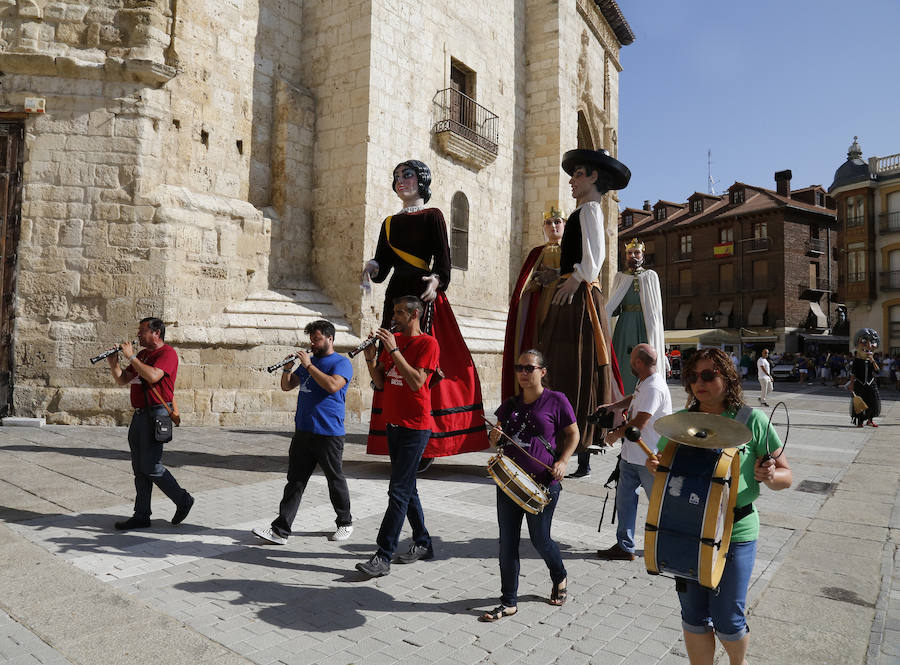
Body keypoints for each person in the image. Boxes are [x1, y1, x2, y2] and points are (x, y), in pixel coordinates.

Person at [647, 348, 792, 665]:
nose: (700, 382)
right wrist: (655, 464)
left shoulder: (750, 420)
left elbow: (786, 475)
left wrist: (770, 475)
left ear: (728, 378)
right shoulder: (679, 424)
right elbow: (661, 464)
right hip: (686, 530)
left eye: (709, 375)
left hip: (736, 532)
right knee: (694, 615)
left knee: (728, 617)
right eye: (693, 376)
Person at [361, 160, 488, 469]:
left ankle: (427, 441)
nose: (401, 180)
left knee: (423, 362)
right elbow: (383, 264)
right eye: (397, 176)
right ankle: (394, 429)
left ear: (422, 180)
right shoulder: (389, 222)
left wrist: (437, 279)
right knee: (391, 358)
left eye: (408, 175)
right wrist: (373, 267)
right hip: (396, 295)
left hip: (423, 295)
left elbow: (443, 260)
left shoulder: (433, 216)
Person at [542, 148, 629, 479]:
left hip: (581, 298)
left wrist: (576, 279)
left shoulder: (590, 209)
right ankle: (569, 443)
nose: (572, 180)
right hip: (572, 292)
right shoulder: (581, 211)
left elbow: (597, 257)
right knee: (566, 365)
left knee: (580, 367)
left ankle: (583, 448)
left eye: (578, 174)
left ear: (593, 177)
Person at [480, 349, 579, 621]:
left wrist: (563, 461)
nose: (523, 373)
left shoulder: (556, 401)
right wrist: (495, 435)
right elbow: (494, 441)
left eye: (529, 368)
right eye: (519, 368)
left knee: (540, 540)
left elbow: (573, 433)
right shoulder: (510, 404)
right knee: (507, 544)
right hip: (509, 485)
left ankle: (559, 576)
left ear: (542, 372)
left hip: (543, 485)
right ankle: (508, 601)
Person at [356, 296, 440, 578]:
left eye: (399, 312)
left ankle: (383, 554)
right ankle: (423, 542)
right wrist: (371, 356)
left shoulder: (428, 344)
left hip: (416, 427)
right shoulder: (393, 343)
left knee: (398, 491)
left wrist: (393, 350)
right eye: (394, 312)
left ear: (414, 314)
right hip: (394, 424)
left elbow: (418, 382)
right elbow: (380, 381)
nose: (394, 317)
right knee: (407, 488)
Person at [252, 320, 354, 545]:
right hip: (303, 432)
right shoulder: (311, 362)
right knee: (295, 482)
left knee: (334, 479)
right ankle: (280, 531)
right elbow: (287, 386)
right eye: (311, 339)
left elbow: (332, 386)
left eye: (316, 339)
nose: (312, 343)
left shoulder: (341, 363)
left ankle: (345, 523)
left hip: (329, 433)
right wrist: (288, 370)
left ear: (330, 339)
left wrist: (308, 365)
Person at [107, 317, 194, 530]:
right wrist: (114, 363)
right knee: (139, 468)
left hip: (156, 414)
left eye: (142, 330)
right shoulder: (144, 355)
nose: (138, 335)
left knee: (151, 466)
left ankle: (183, 499)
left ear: (156, 332)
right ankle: (141, 515)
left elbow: (154, 376)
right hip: (139, 416)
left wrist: (131, 356)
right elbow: (123, 379)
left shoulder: (167, 354)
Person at [596, 343, 672, 561]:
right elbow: (634, 398)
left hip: (649, 457)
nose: (630, 363)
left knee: (658, 505)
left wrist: (614, 435)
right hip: (632, 456)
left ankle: (665, 546)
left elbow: (640, 422)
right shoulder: (645, 382)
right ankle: (625, 546)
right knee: (625, 502)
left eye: (632, 360)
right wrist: (615, 405)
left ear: (639, 362)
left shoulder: (654, 387)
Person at [501, 206, 566, 401]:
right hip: (539, 313)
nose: (553, 226)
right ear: (544, 228)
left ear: (565, 225)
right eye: (548, 223)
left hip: (564, 311)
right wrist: (535, 283)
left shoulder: (571, 251)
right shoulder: (536, 253)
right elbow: (523, 287)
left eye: (557, 222)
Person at [606, 238, 668, 397]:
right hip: (625, 324)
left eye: (637, 252)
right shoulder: (619, 277)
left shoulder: (650, 276)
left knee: (645, 359)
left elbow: (655, 309)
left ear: (642, 255)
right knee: (623, 361)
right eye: (629, 253)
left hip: (645, 323)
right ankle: (622, 395)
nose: (633, 256)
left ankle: (646, 395)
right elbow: (614, 305)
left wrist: (654, 331)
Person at [847, 328, 881, 428]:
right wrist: (851, 383)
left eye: (872, 343)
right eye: (864, 342)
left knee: (873, 402)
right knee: (859, 404)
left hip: (871, 383)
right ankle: (860, 421)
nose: (869, 346)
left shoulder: (872, 360)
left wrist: (873, 361)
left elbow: (877, 371)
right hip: (859, 384)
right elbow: (853, 373)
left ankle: (870, 420)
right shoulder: (857, 361)